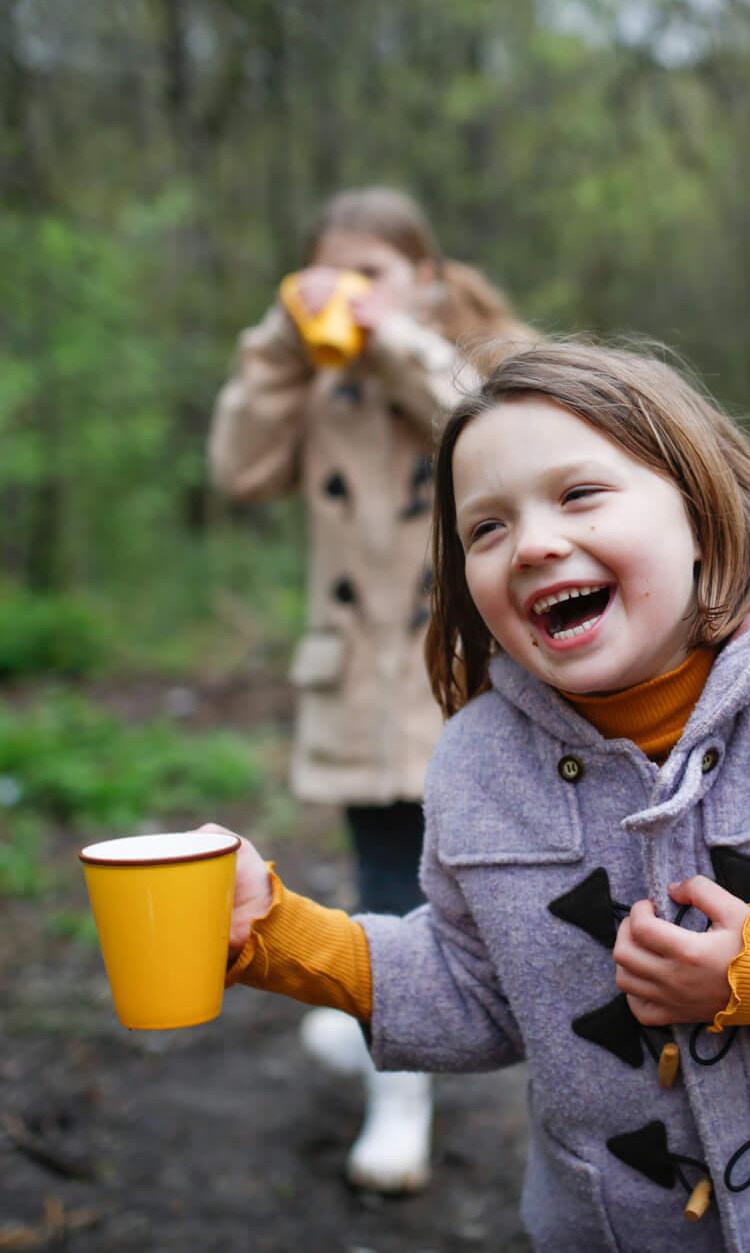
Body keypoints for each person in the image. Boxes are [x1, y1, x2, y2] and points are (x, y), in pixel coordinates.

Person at [204, 341, 750, 1248]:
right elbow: (474, 989)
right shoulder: (477, 767)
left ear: (699, 507)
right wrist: (278, 939)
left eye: (578, 495)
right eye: (484, 529)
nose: (531, 543)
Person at [206, 187, 529, 1192]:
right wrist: (277, 340)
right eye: (330, 276)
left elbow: (480, 429)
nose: (351, 296)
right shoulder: (316, 376)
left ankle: (433, 1041)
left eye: (373, 274)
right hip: (355, 673)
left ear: (426, 277)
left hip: (467, 667)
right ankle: (402, 1070)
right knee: (387, 865)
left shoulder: (494, 357)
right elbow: (239, 469)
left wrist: (394, 340)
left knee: (480, 866)